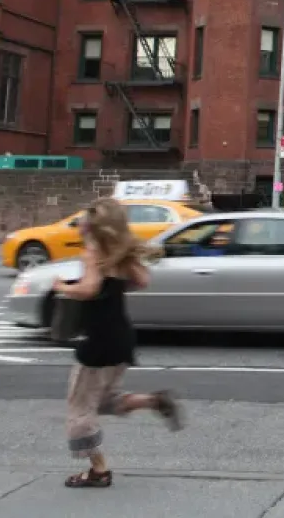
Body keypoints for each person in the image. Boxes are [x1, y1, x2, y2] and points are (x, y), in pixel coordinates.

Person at [53, 198, 183, 489]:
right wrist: (118, 277)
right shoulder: (119, 255)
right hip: (121, 339)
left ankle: (98, 470)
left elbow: (88, 289)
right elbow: (143, 280)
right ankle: (154, 401)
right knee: (105, 400)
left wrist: (62, 287)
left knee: (79, 410)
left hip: (97, 341)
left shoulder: (94, 253)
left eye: (83, 221)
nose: (79, 225)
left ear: (92, 225)